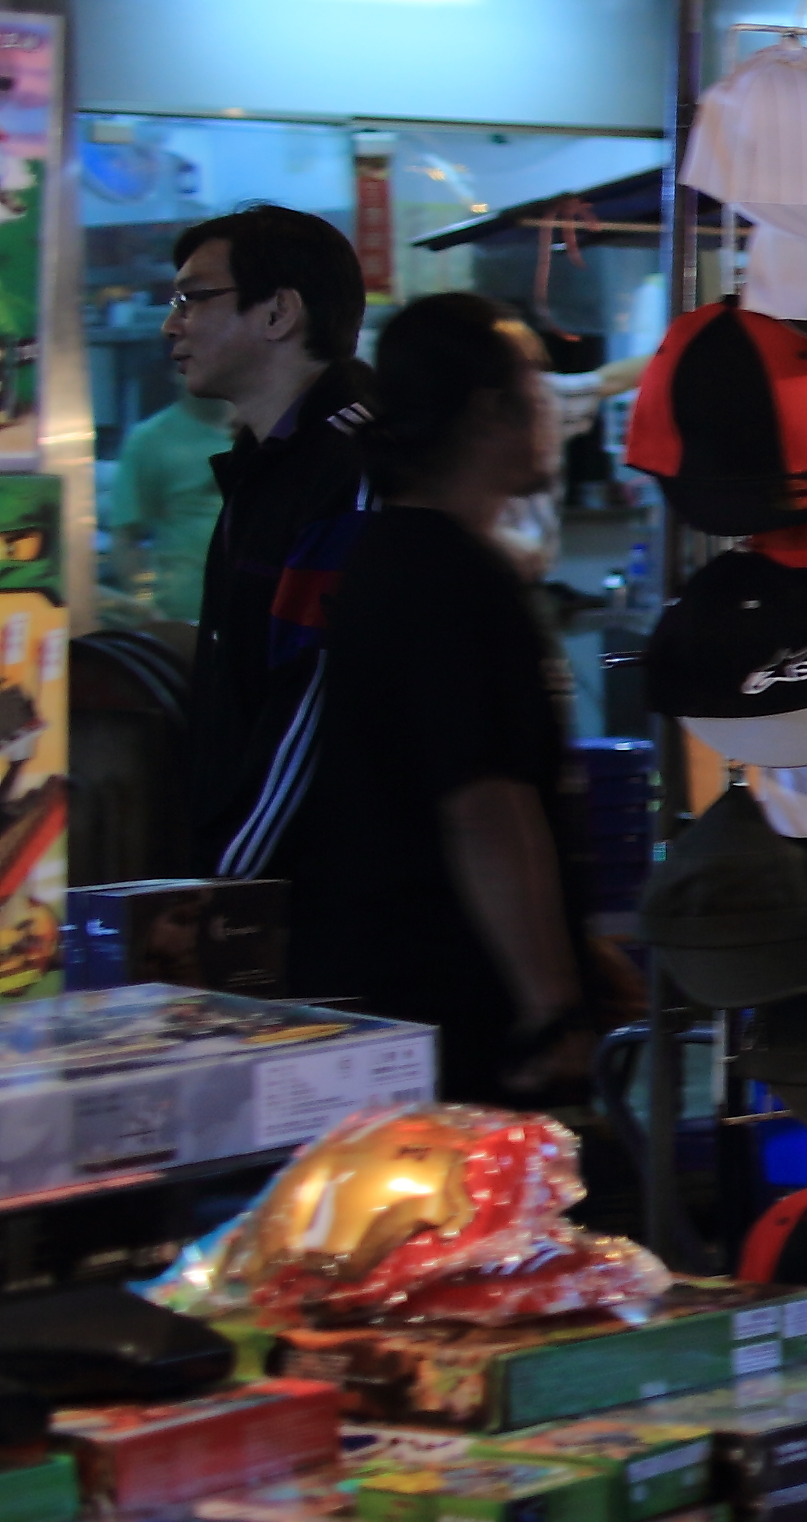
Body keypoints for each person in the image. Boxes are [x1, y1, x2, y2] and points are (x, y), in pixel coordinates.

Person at [283, 297, 611, 1105]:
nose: (551, 409)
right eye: (535, 386)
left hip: (416, 1001)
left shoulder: (412, 555)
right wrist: (550, 1007)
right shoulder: (447, 577)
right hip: (451, 1016)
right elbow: (485, 808)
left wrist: (580, 952)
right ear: (489, 409)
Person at [158, 203, 373, 878]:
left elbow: (315, 697)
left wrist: (226, 883)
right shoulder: (265, 463)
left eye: (193, 299)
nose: (173, 325)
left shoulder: (349, 464)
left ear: (279, 312)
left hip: (319, 894)